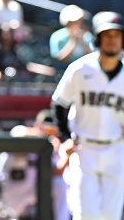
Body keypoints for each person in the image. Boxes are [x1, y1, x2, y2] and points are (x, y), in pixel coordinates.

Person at [52, 11, 124, 220]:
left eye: (117, 35)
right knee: (86, 213)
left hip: (116, 148)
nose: (112, 40)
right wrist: (65, 138)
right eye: (107, 35)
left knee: (112, 214)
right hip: (85, 149)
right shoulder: (80, 68)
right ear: (97, 38)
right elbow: (59, 102)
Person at [0, 109, 73, 220]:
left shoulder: (51, 146)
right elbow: (17, 134)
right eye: (46, 128)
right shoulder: (24, 132)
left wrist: (67, 155)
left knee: (60, 184)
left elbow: (56, 172)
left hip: (31, 197)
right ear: (37, 125)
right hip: (9, 199)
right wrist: (42, 135)